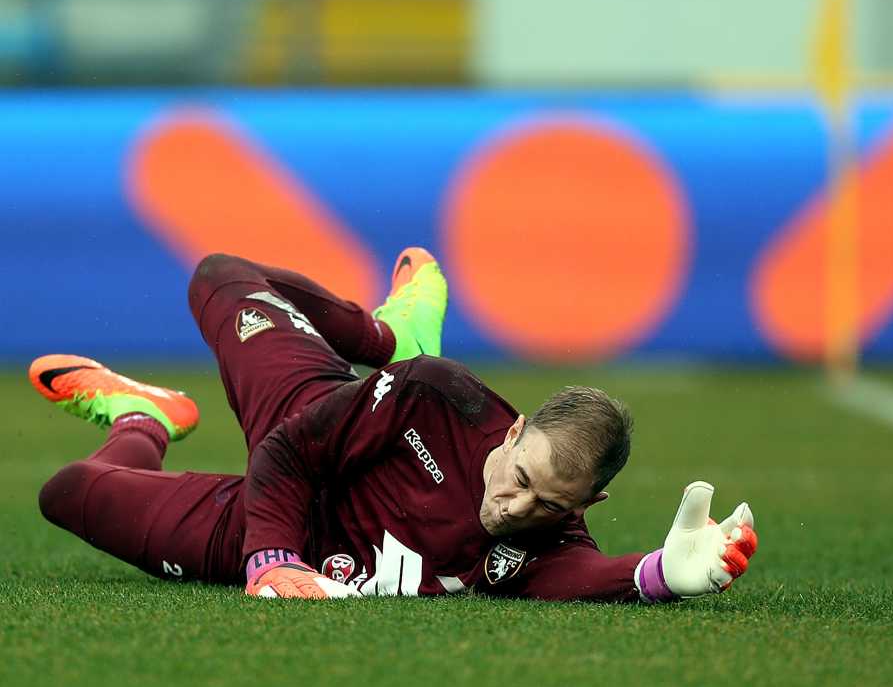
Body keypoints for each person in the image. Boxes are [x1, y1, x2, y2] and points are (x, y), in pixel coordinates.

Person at [30, 250, 758, 601]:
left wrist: (661, 575)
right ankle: (386, 341)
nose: (518, 506)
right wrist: (271, 561)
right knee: (219, 277)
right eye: (524, 478)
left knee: (67, 492)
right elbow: (287, 450)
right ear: (512, 434)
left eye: (552, 504)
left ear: (584, 508)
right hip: (307, 432)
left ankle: (142, 416)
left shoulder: (546, 535)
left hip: (292, 529)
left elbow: (580, 574)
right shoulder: (440, 399)